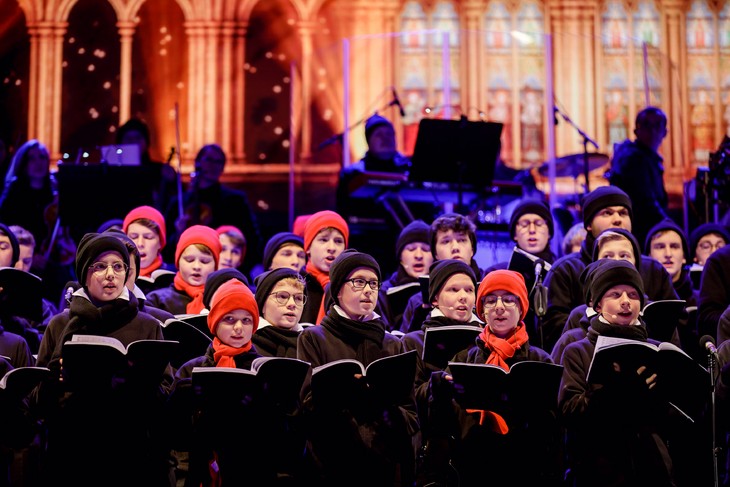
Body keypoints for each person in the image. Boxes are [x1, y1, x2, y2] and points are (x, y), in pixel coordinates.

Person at [33, 232, 174, 486]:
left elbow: (166, 397)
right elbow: (37, 400)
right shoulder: (60, 324)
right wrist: (58, 376)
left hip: (130, 453)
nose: (111, 274)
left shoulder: (148, 326)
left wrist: (139, 381)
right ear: (84, 273)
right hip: (71, 451)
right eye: (100, 266)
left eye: (118, 266)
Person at [558, 259, 700, 487]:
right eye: (615, 295)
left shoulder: (656, 349)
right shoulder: (578, 350)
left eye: (633, 295)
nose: (626, 302)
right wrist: (612, 390)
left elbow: (678, 418)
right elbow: (569, 413)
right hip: (598, 468)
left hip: (652, 467)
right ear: (597, 304)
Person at [296, 249, 419, 487]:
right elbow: (307, 408)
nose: (368, 290)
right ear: (338, 289)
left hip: (385, 467)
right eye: (359, 282)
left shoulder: (393, 343)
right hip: (332, 465)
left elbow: (411, 417)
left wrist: (383, 404)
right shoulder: (314, 338)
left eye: (373, 283)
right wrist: (349, 393)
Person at [424, 270, 558, 487]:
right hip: (472, 467)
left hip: (527, 468)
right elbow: (444, 422)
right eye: (490, 300)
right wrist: (441, 389)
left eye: (508, 299)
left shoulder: (540, 360)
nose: (499, 307)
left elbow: (554, 425)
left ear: (522, 307)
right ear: (482, 310)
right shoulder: (464, 358)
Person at [168, 279, 286, 485]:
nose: (239, 328)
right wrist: (180, 399)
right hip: (200, 470)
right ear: (215, 322)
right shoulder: (192, 368)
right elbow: (172, 433)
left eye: (246, 320)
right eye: (229, 319)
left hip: (253, 471)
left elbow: (281, 439)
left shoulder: (265, 369)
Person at [542, 186, 677, 353]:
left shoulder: (654, 269)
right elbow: (552, 332)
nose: (617, 219)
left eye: (623, 213)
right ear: (589, 224)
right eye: (607, 213)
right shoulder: (565, 270)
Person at [165, 143, 262, 278]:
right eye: (209, 160)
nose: (213, 166)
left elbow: (251, 239)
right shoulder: (180, 201)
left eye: (218, 162)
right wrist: (178, 233)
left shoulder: (234, 200)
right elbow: (166, 246)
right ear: (198, 162)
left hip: (224, 270)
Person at [399, 212, 484, 334]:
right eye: (446, 241)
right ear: (435, 254)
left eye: (462, 240)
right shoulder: (417, 302)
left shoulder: (490, 291)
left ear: (472, 249)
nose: (455, 247)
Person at [608, 106, 670, 246]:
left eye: (657, 125)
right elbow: (646, 203)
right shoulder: (633, 158)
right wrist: (668, 224)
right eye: (647, 125)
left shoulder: (648, 158)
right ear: (636, 131)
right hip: (637, 231)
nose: (652, 131)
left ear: (665, 132)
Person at [644, 219, 699, 355]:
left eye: (674, 246)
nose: (668, 254)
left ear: (684, 256)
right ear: (648, 255)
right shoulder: (640, 299)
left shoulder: (700, 300)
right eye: (660, 247)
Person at [146, 225, 221, 316]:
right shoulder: (156, 300)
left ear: (215, 265)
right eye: (189, 260)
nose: (196, 266)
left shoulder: (221, 301)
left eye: (204, 261)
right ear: (178, 262)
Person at [378, 220, 433, 331]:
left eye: (426, 249)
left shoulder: (442, 290)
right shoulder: (382, 292)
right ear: (400, 257)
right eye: (411, 249)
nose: (418, 255)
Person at [0, 139, 55, 249]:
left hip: (53, 256)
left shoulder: (55, 192)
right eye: (32, 159)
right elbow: (7, 232)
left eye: (42, 157)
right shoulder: (13, 195)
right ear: (23, 164)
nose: (39, 163)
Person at [116, 118, 178, 212]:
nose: (133, 142)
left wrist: (173, 180)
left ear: (146, 142)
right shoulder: (112, 170)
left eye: (138, 138)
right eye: (129, 138)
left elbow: (174, 199)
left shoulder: (159, 170)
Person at [299, 210, 349, 324]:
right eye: (323, 240)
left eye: (338, 241)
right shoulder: (294, 284)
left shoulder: (349, 288)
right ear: (308, 247)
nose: (331, 247)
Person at [253, 267, 312, 357]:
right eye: (282, 297)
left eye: (298, 298)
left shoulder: (311, 343)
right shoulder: (246, 343)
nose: (292, 304)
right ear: (262, 304)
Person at [122, 205, 174, 292]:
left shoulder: (172, 279)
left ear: (160, 242)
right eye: (134, 237)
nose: (140, 244)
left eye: (148, 237)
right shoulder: (115, 276)